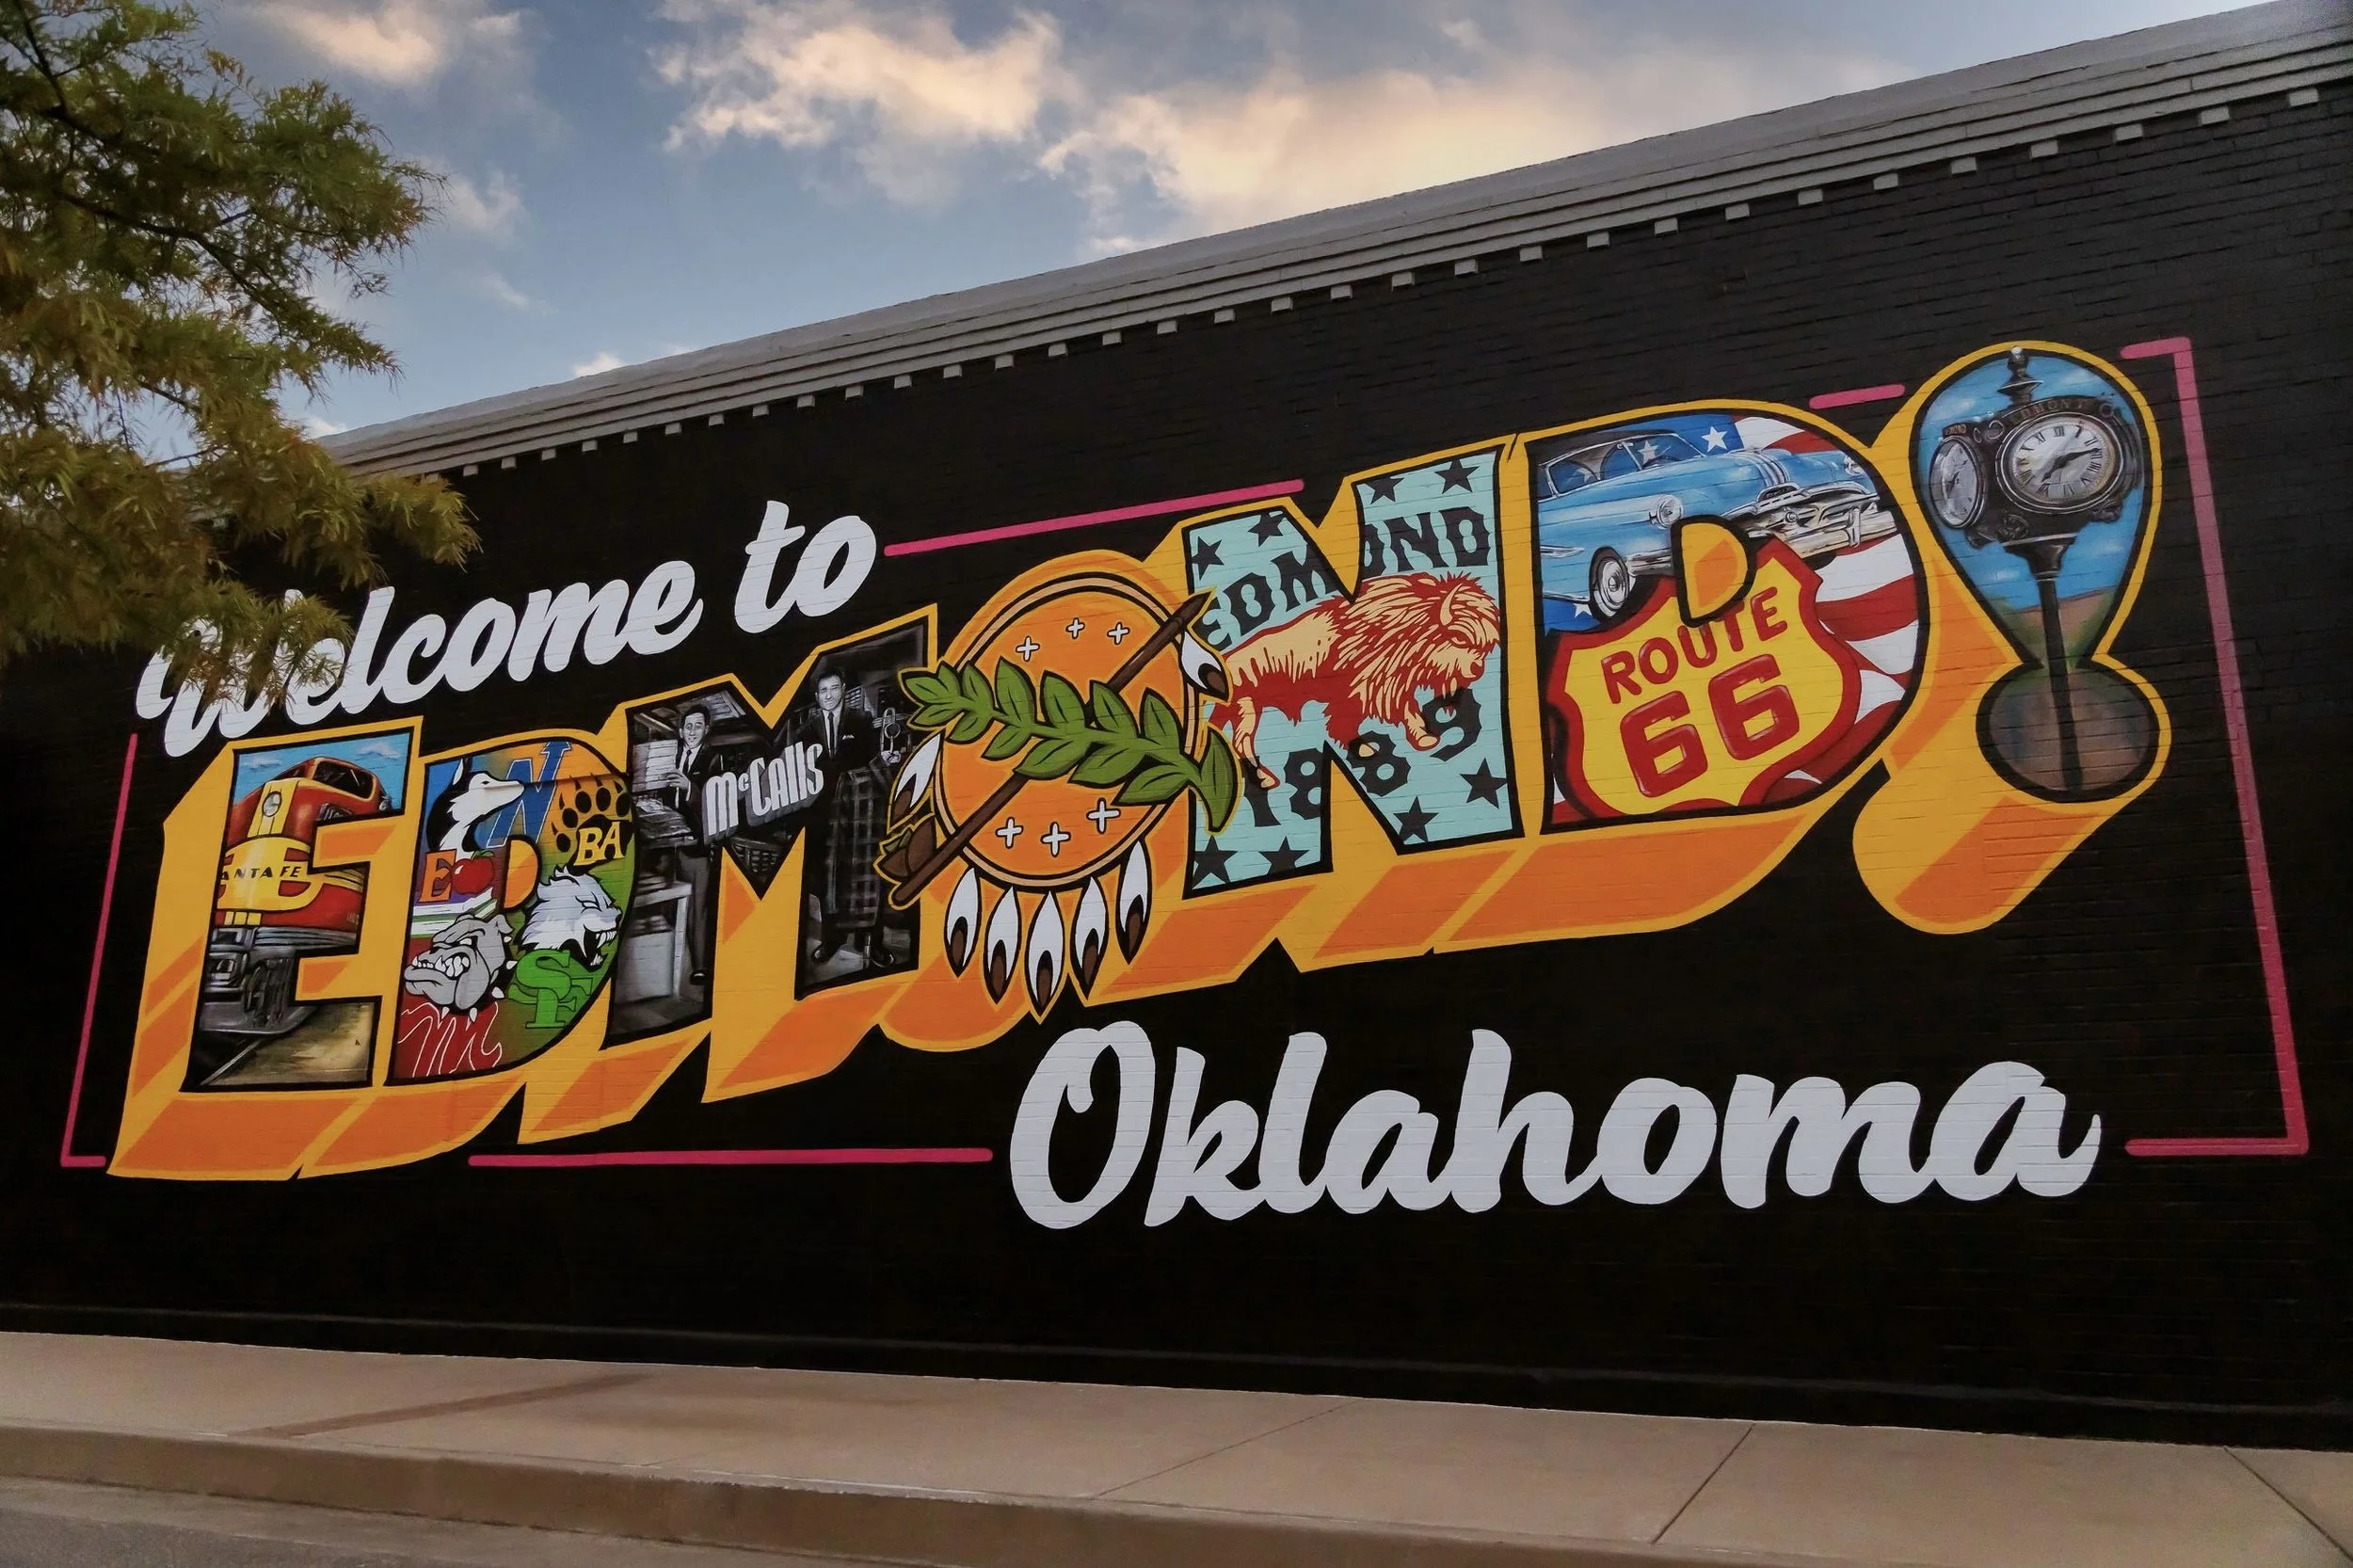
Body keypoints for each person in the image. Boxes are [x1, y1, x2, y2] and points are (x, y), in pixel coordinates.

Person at [792, 672, 888, 970]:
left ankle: (872, 942)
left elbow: (873, 760)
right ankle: (831, 939)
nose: (829, 695)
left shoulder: (861, 721)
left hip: (860, 812)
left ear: (843, 690)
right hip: (822, 814)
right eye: (824, 690)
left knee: (869, 875)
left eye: (834, 688)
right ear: (817, 696)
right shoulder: (804, 731)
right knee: (827, 879)